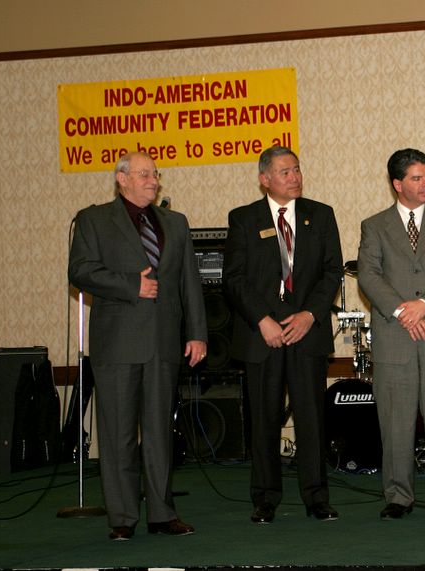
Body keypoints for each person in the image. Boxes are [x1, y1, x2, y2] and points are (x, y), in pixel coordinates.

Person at [68, 151, 207, 541]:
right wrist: (132, 285)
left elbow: (189, 284)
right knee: (118, 435)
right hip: (117, 345)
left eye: (155, 174)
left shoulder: (175, 223)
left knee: (160, 431)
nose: (153, 180)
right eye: (144, 174)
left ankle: (162, 515)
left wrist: (197, 333)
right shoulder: (93, 219)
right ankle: (123, 518)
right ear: (122, 179)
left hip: (163, 343)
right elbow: (79, 270)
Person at [223, 146, 344, 524]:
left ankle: (316, 497)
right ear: (265, 179)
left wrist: (310, 314)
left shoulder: (320, 216)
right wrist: (263, 319)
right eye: (285, 172)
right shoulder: (243, 219)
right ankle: (265, 498)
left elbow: (332, 271)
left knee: (310, 418)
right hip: (264, 336)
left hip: (306, 333)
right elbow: (235, 278)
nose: (294, 177)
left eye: (296, 169)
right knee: (264, 419)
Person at [357, 148, 425, 519]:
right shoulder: (374, 226)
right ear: (397, 184)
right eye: (417, 178)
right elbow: (369, 274)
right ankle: (397, 496)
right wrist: (404, 310)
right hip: (394, 337)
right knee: (395, 423)